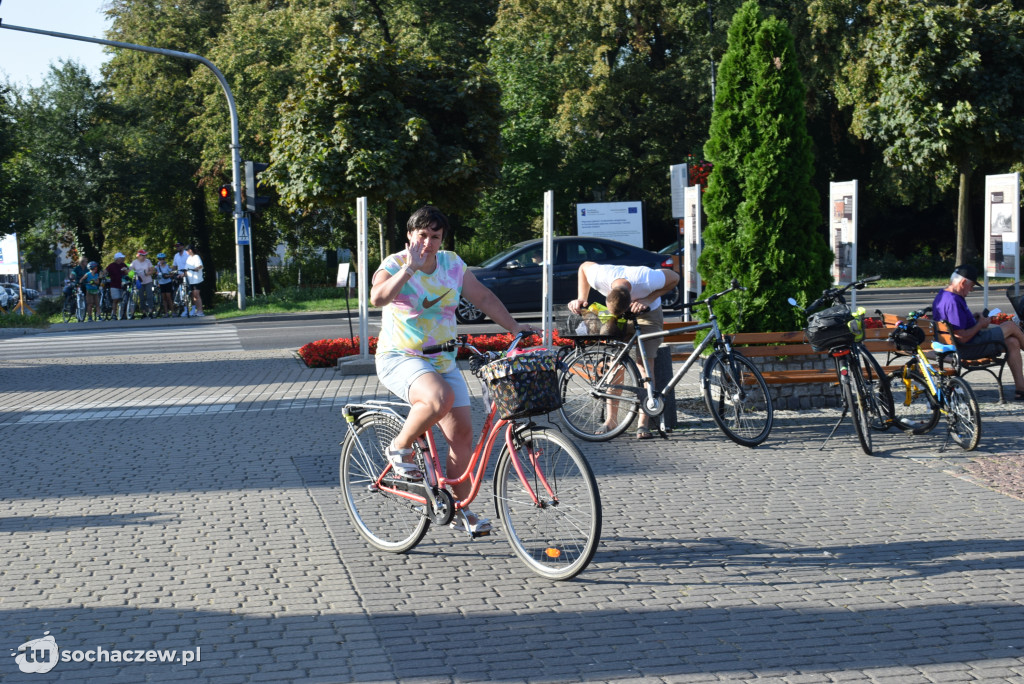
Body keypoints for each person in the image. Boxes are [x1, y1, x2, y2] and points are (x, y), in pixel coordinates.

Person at [370, 205, 535, 536]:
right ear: (409, 236)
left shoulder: (452, 264)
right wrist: (410, 270)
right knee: (437, 398)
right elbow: (378, 298)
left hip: (443, 359)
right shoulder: (394, 264)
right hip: (401, 356)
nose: (428, 243)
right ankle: (399, 446)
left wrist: (515, 328)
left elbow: (484, 298)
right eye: (422, 236)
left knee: (462, 435)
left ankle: (459, 510)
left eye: (435, 236)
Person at [567, 261, 681, 439]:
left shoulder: (647, 279)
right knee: (615, 363)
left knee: (644, 364)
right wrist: (581, 297)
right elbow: (582, 267)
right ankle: (611, 421)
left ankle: (643, 423)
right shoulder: (600, 276)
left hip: (647, 313)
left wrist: (647, 299)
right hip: (614, 316)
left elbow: (675, 277)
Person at [932, 264, 1024, 401]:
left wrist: (973, 319)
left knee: (1012, 342)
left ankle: (1020, 390)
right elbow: (961, 337)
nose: (971, 290)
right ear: (963, 282)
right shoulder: (953, 301)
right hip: (967, 348)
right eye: (972, 286)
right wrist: (980, 324)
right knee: (1010, 326)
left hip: (961, 345)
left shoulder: (944, 295)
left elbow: (958, 326)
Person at [130, 249, 156, 317]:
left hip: (148, 281)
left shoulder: (148, 261)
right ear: (139, 256)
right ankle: (143, 312)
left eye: (145, 255)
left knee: (149, 296)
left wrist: (147, 273)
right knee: (141, 297)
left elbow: (152, 270)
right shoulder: (134, 262)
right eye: (143, 255)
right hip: (139, 282)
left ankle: (150, 311)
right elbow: (129, 269)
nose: (145, 257)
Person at [106, 252, 130, 320]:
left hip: (122, 285)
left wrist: (125, 270)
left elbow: (128, 272)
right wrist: (103, 275)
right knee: (115, 300)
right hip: (114, 285)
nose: (123, 259)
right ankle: (114, 314)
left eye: (122, 258)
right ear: (117, 259)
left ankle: (123, 314)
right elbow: (105, 271)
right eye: (121, 258)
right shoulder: (111, 265)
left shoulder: (123, 265)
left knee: (123, 300)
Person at [183, 245, 205, 316]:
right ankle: (197, 310)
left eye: (187, 250)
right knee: (194, 296)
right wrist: (182, 275)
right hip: (191, 280)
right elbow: (186, 269)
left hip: (197, 280)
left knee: (197, 295)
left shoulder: (196, 257)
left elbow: (200, 265)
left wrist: (197, 268)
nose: (186, 252)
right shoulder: (188, 258)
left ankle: (200, 311)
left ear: (190, 250)